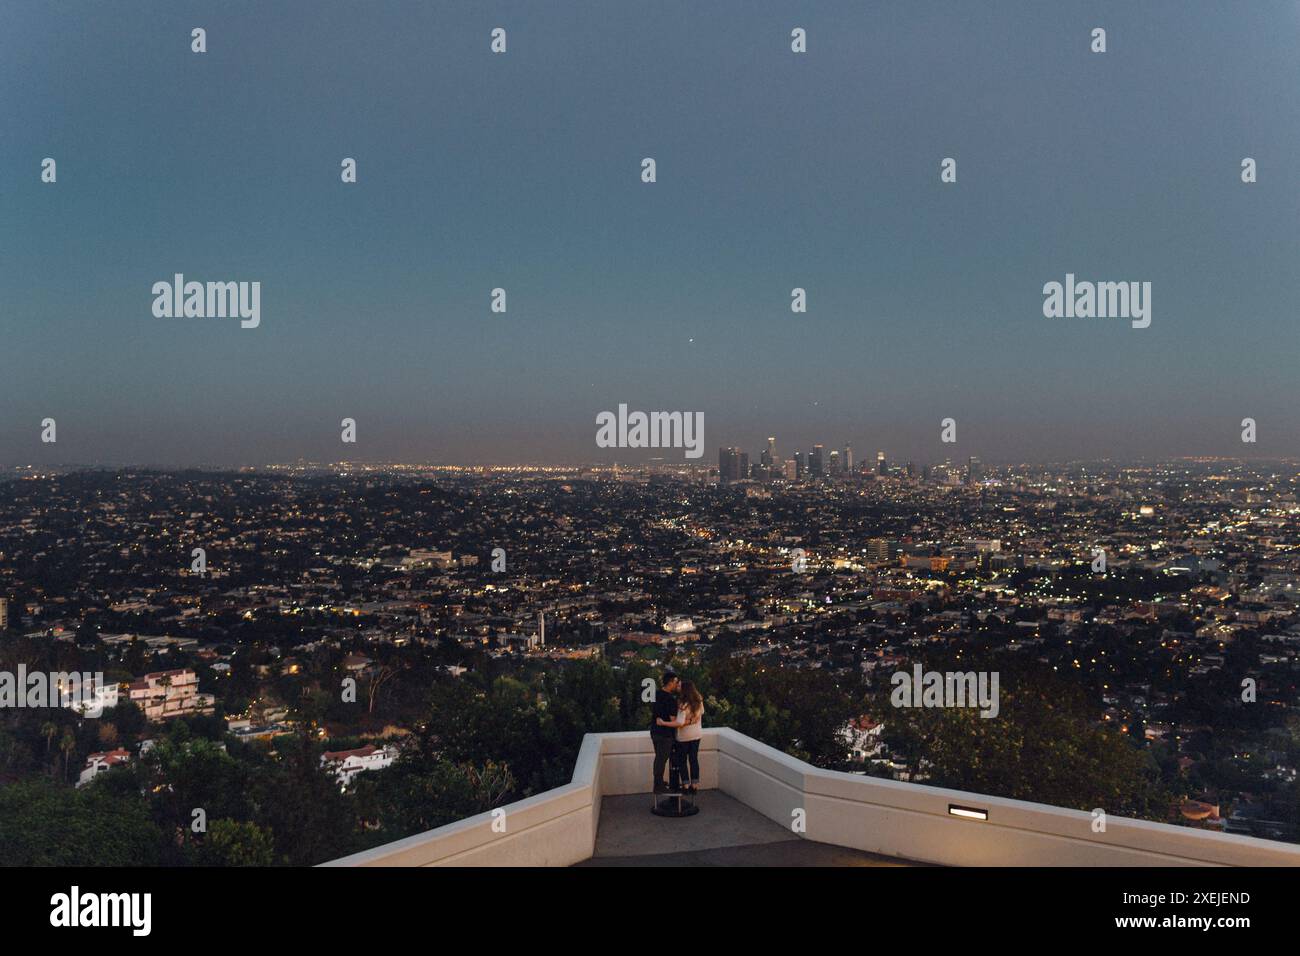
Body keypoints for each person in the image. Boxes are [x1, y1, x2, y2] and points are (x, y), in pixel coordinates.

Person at [668, 680, 704, 793]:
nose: (677, 687)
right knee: (693, 759)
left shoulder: (683, 704)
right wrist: (692, 720)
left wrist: (663, 723)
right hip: (696, 735)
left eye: (679, 686)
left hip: (683, 737)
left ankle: (686, 785)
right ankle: (695, 784)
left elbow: (679, 722)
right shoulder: (699, 701)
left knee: (682, 761)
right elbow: (699, 716)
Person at [650, 670, 680, 793]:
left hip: (655, 731)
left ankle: (659, 781)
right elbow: (673, 719)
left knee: (659, 758)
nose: (677, 685)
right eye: (676, 682)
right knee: (662, 759)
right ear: (671, 682)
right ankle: (658, 785)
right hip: (665, 734)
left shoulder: (655, 695)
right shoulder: (670, 700)